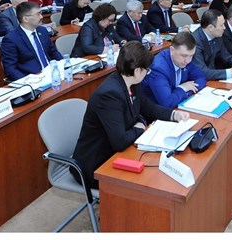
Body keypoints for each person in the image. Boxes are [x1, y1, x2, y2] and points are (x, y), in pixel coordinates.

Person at [70, 41, 190, 189]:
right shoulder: (109, 94)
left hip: (117, 151)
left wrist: (174, 115)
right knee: (150, 181)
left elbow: (149, 108)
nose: (147, 73)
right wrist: (139, 128)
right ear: (138, 70)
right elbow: (120, 141)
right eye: (147, 70)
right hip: (97, 164)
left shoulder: (131, 82)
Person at [142, 31, 207, 109]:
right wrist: (183, 88)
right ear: (172, 50)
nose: (188, 60)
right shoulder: (158, 68)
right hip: (156, 112)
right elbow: (168, 103)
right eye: (184, 56)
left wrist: (187, 90)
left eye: (191, 56)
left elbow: (201, 78)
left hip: (177, 106)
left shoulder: (185, 60)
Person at [1, 2, 63, 81]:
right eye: (38, 14)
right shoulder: (11, 39)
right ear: (25, 19)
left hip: (52, 73)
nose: (41, 17)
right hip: (32, 79)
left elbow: (53, 52)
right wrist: (27, 81)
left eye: (41, 13)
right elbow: (10, 68)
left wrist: (64, 65)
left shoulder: (43, 31)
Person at [192, 9, 232, 80]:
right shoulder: (195, 42)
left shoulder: (217, 35)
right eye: (221, 25)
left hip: (213, 76)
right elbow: (202, 72)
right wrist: (231, 72)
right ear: (211, 27)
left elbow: (226, 56)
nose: (224, 28)